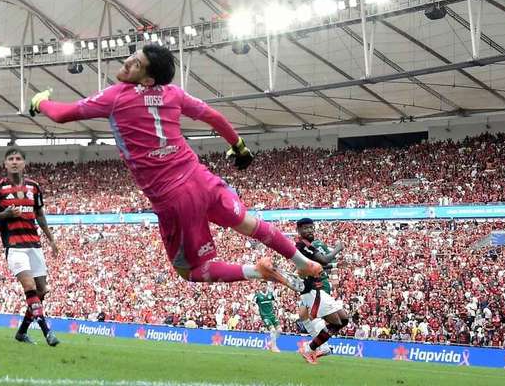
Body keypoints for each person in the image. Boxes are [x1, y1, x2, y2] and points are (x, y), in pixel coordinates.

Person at [29, 43, 322, 290]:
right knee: (249, 224)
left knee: (190, 271)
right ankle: (303, 262)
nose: (128, 61)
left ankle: (256, 271)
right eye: (133, 55)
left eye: (137, 63)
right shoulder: (174, 94)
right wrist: (239, 146)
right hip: (202, 179)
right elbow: (214, 117)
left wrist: (41, 102)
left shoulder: (116, 96)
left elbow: (62, 115)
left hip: (175, 199)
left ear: (146, 80)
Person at [0, 148, 59, 346]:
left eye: (18, 159)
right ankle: (47, 332)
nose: (14, 162)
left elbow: (39, 214)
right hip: (14, 246)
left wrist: (51, 239)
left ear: (24, 163)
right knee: (30, 287)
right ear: (5, 164)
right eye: (10, 159)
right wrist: (3, 215)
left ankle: (22, 332)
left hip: (34, 245)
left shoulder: (34, 187)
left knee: (41, 290)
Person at [293, 218, 349, 364]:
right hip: (311, 291)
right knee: (336, 323)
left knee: (344, 319)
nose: (310, 230)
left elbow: (319, 265)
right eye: (305, 228)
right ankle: (311, 348)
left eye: (311, 227)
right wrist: (338, 248)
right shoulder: (302, 245)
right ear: (298, 231)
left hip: (318, 289)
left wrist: (335, 265)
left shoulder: (308, 246)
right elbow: (324, 260)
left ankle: (316, 346)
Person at [254, 284, 282, 352]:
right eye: (262, 285)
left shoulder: (271, 294)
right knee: (272, 330)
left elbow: (276, 300)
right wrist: (255, 311)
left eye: (265, 285)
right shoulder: (257, 295)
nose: (263, 286)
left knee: (279, 330)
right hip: (265, 316)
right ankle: (274, 347)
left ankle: (270, 343)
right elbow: (252, 304)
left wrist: (278, 304)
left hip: (272, 315)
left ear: (267, 286)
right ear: (260, 286)